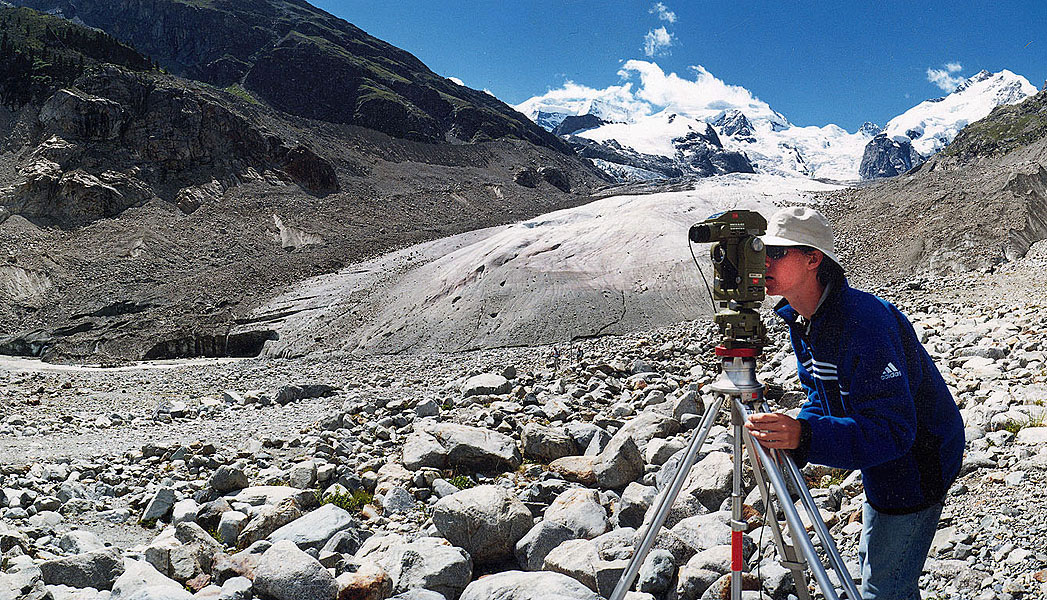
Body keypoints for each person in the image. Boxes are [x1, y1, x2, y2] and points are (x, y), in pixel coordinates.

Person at [743, 207, 964, 600]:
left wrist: (807, 436)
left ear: (813, 259)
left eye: (777, 253)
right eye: (764, 252)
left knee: (886, 587)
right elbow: (819, 392)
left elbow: (894, 432)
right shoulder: (803, 317)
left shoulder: (865, 322)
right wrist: (794, 437)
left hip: (917, 460)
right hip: (885, 458)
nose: (765, 261)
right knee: (876, 560)